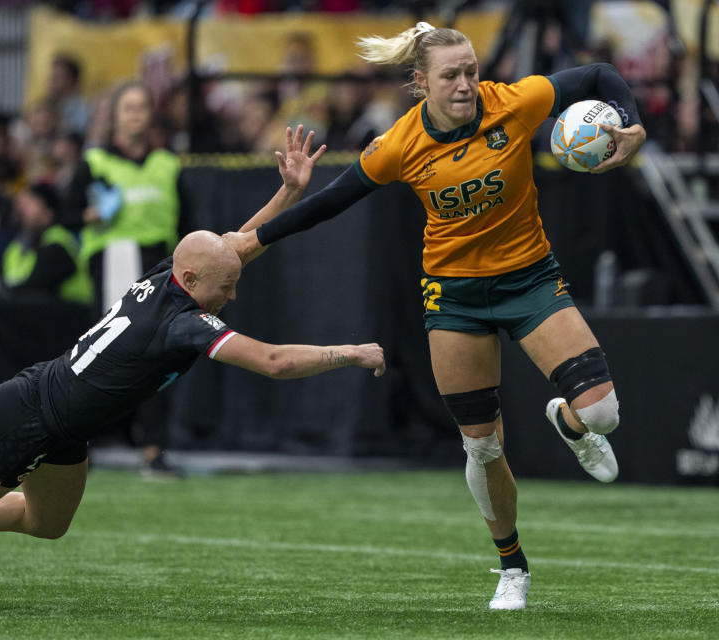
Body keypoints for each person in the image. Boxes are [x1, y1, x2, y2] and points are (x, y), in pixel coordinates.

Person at [0, 126, 386, 594]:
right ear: (192, 278)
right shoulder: (180, 323)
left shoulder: (174, 279)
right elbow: (276, 362)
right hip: (25, 413)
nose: (233, 296)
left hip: (65, 426)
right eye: (225, 289)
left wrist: (287, 192)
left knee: (47, 523)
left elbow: (238, 248)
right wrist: (351, 352)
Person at [228, 22, 646, 610]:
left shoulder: (513, 103)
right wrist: (255, 240)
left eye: (471, 70)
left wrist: (631, 120)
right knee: (482, 447)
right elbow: (330, 203)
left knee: (602, 413)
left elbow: (599, 76)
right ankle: (512, 567)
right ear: (419, 82)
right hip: (454, 299)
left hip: (530, 280)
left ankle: (569, 424)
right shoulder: (399, 144)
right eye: (451, 74)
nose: (467, 84)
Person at [63, 81, 191, 476]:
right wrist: (92, 216)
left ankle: (154, 449)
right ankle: (80, 446)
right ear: (114, 116)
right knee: (101, 356)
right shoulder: (95, 163)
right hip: (112, 262)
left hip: (159, 264)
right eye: (128, 108)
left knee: (159, 355)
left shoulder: (169, 164)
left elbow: (188, 222)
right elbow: (66, 217)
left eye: (141, 107)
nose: (136, 114)